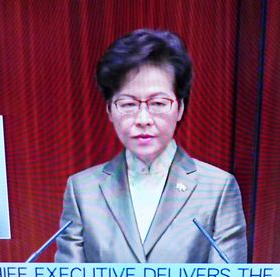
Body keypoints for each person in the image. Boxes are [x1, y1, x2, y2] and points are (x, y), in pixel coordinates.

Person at [55, 28, 247, 264]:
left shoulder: (218, 189)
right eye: (128, 104)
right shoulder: (82, 190)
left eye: (158, 102)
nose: (143, 119)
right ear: (109, 111)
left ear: (180, 108)